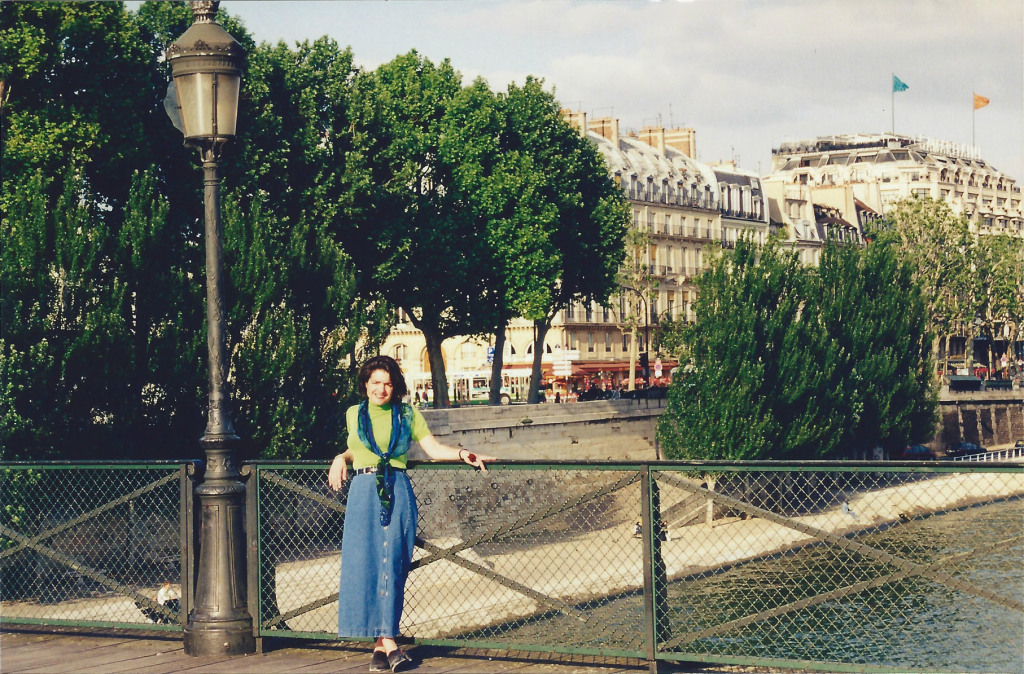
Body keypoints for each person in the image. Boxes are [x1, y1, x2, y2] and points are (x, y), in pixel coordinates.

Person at [328, 355, 492, 673]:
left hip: (396, 489)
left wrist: (463, 454)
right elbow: (359, 446)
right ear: (365, 384)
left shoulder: (407, 414)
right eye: (375, 382)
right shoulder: (353, 414)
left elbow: (432, 449)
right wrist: (340, 456)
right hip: (362, 492)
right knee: (366, 566)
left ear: (396, 386)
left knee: (393, 563)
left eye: (388, 383)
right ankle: (384, 646)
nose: (381, 389)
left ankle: (385, 642)